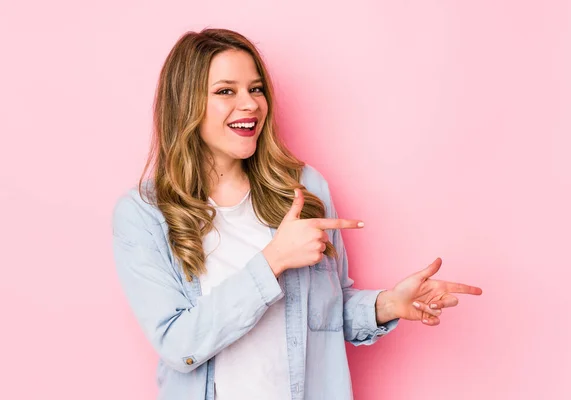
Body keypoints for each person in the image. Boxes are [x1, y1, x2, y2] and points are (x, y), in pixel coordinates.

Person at [111, 28, 483, 400]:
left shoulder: (304, 189)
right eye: (226, 91)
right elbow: (179, 345)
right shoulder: (143, 216)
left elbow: (324, 317)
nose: (251, 104)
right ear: (185, 104)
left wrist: (389, 304)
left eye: (256, 89)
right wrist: (272, 260)